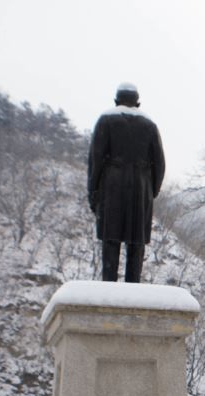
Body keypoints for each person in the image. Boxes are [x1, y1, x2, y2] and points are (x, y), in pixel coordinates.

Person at [87, 83, 165, 282]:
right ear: (137, 103)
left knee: (110, 241)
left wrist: (93, 191)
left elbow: (95, 159)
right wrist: (152, 191)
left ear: (116, 101)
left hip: (111, 188)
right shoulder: (150, 126)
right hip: (141, 189)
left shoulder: (106, 121)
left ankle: (108, 287)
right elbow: (160, 163)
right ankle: (133, 289)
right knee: (136, 243)